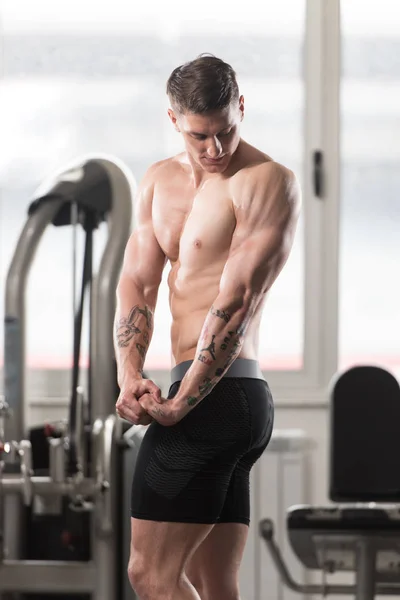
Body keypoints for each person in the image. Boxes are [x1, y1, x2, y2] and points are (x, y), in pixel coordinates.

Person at [114, 53, 301, 600]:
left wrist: (182, 402)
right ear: (174, 120)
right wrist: (129, 373)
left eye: (226, 131)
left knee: (149, 576)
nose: (215, 149)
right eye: (201, 136)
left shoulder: (267, 180)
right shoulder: (158, 182)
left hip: (221, 394)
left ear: (241, 108)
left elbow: (238, 300)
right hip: (213, 400)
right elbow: (137, 284)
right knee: (213, 585)